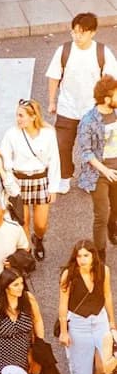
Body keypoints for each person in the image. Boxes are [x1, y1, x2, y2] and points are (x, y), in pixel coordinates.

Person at [48, 12, 117, 194]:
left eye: (82, 32)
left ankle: (90, 177)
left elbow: (110, 81)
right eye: (74, 32)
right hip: (67, 107)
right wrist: (52, 101)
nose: (77, 36)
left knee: (94, 146)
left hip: (93, 110)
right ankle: (65, 176)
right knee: (62, 144)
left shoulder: (102, 52)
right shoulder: (64, 51)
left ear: (92, 32)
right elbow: (54, 77)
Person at [57, 240, 115, 374]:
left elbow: (107, 296)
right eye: (79, 255)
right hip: (78, 323)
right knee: (80, 365)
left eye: (86, 255)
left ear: (93, 256)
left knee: (103, 365)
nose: (82, 259)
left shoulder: (103, 271)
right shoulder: (68, 275)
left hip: (99, 320)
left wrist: (112, 323)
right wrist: (64, 331)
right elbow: (63, 305)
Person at [0, 98, 59, 261]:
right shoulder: (12, 134)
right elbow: (4, 156)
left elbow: (54, 160)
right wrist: (10, 174)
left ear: (33, 117)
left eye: (21, 116)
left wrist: (53, 188)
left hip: (40, 179)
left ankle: (38, 239)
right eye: (17, 115)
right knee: (23, 221)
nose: (18, 119)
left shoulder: (48, 134)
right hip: (20, 180)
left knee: (41, 224)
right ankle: (27, 255)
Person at [74, 75, 117, 259]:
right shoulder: (89, 120)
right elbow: (86, 151)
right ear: (107, 98)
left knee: (114, 210)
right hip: (98, 173)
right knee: (101, 214)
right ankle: (100, 255)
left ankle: (112, 225)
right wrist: (105, 170)